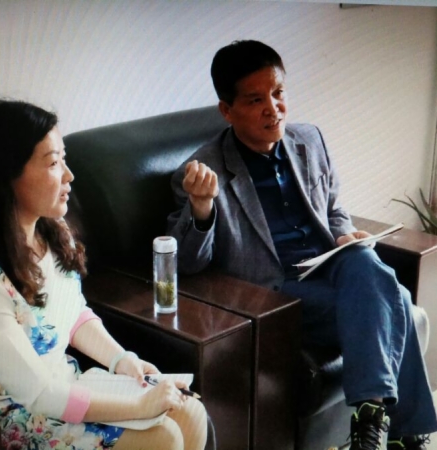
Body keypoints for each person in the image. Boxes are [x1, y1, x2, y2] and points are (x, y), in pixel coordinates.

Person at [167, 40, 437, 450]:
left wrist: (344, 235)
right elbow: (188, 263)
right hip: (276, 291)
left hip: (331, 266)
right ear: (227, 110)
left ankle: (371, 424)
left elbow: (334, 209)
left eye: (278, 93)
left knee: (364, 259)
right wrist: (202, 207)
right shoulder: (202, 171)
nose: (273, 109)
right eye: (256, 100)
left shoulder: (309, 140)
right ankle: (403, 436)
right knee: (395, 297)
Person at [0, 99, 207, 450]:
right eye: (54, 163)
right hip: (24, 415)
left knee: (189, 412)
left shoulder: (51, 230)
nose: (69, 175)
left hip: (66, 384)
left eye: (64, 159)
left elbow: (73, 313)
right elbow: (39, 394)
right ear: (7, 175)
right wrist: (141, 406)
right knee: (162, 437)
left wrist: (122, 360)